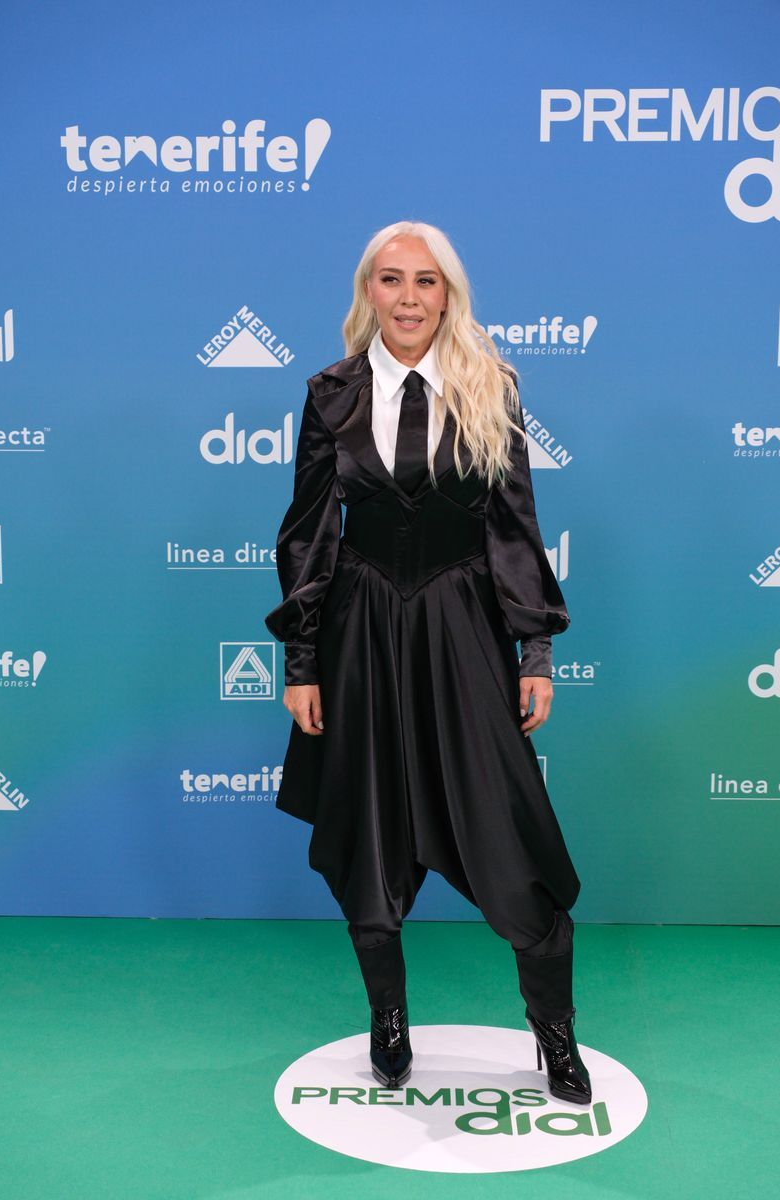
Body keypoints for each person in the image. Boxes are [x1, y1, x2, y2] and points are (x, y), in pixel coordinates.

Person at [264, 220, 591, 1105]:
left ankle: (554, 1034)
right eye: (391, 280)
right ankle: (389, 1020)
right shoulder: (330, 393)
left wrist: (536, 648)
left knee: (507, 832)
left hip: (461, 629)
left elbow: (514, 529)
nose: (409, 298)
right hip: (361, 635)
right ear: (368, 292)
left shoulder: (492, 385)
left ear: (449, 293)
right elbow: (307, 537)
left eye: (427, 282)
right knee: (368, 834)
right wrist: (303, 658)